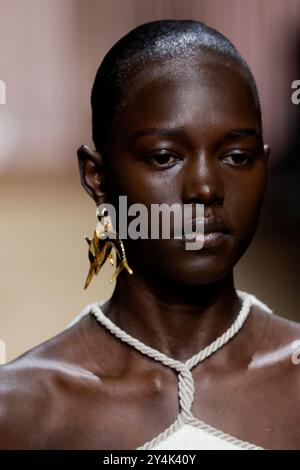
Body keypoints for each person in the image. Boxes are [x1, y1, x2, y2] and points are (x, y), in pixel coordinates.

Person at [0, 19, 300, 451]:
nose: (205, 188)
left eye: (236, 156)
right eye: (164, 157)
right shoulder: (25, 410)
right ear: (97, 177)